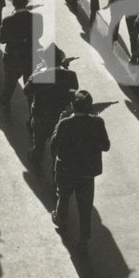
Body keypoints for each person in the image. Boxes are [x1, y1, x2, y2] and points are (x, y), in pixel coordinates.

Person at [50, 90, 110, 252]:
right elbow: (106, 146)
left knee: (63, 196)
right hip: (87, 171)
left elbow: (54, 144)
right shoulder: (98, 123)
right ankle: (83, 239)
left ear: (72, 105)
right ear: (89, 107)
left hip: (66, 169)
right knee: (85, 206)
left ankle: (61, 221)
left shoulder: (64, 122)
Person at [24, 46, 80, 169]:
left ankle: (36, 158)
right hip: (60, 116)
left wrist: (36, 71)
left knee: (39, 141)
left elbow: (26, 91)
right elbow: (73, 91)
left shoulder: (40, 75)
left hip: (40, 117)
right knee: (58, 144)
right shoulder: (71, 75)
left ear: (45, 61)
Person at [0, 0, 43, 107]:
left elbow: (1, 40)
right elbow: (39, 34)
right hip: (31, 57)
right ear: (27, 2)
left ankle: (5, 104)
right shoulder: (37, 18)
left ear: (13, 3)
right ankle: (32, 112)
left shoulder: (7, 21)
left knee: (9, 85)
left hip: (13, 58)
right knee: (31, 89)